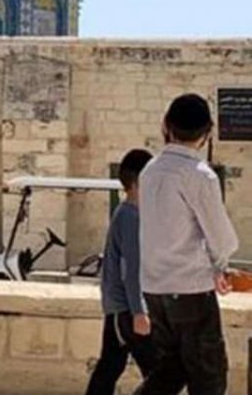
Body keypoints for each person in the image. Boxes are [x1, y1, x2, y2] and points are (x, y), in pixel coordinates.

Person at [138, 94, 238, 395]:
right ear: (207, 132)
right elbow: (222, 237)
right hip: (190, 289)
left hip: (155, 288)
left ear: (167, 125)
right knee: (208, 377)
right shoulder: (200, 176)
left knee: (170, 370)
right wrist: (220, 265)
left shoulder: (149, 171)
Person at [85, 148, 158, 395]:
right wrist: (140, 312)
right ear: (140, 182)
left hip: (121, 308)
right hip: (128, 310)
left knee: (110, 367)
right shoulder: (132, 216)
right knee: (158, 373)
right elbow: (133, 267)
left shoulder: (127, 213)